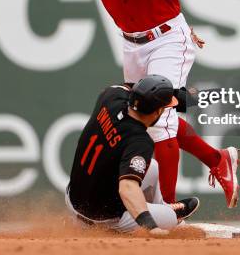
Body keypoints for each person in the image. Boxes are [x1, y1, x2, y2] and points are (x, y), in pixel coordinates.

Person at [58, 0, 240, 207]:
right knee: (143, 114)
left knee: (161, 123)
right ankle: (217, 160)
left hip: (167, 39)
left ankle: (167, 210)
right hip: (131, 43)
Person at [66, 75, 200, 233]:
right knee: (170, 219)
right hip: (103, 219)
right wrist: (150, 226)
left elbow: (127, 87)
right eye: (164, 108)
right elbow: (127, 187)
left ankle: (161, 206)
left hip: (73, 200)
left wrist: (169, 95)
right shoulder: (139, 141)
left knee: (153, 167)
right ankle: (156, 217)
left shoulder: (111, 96)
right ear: (157, 112)